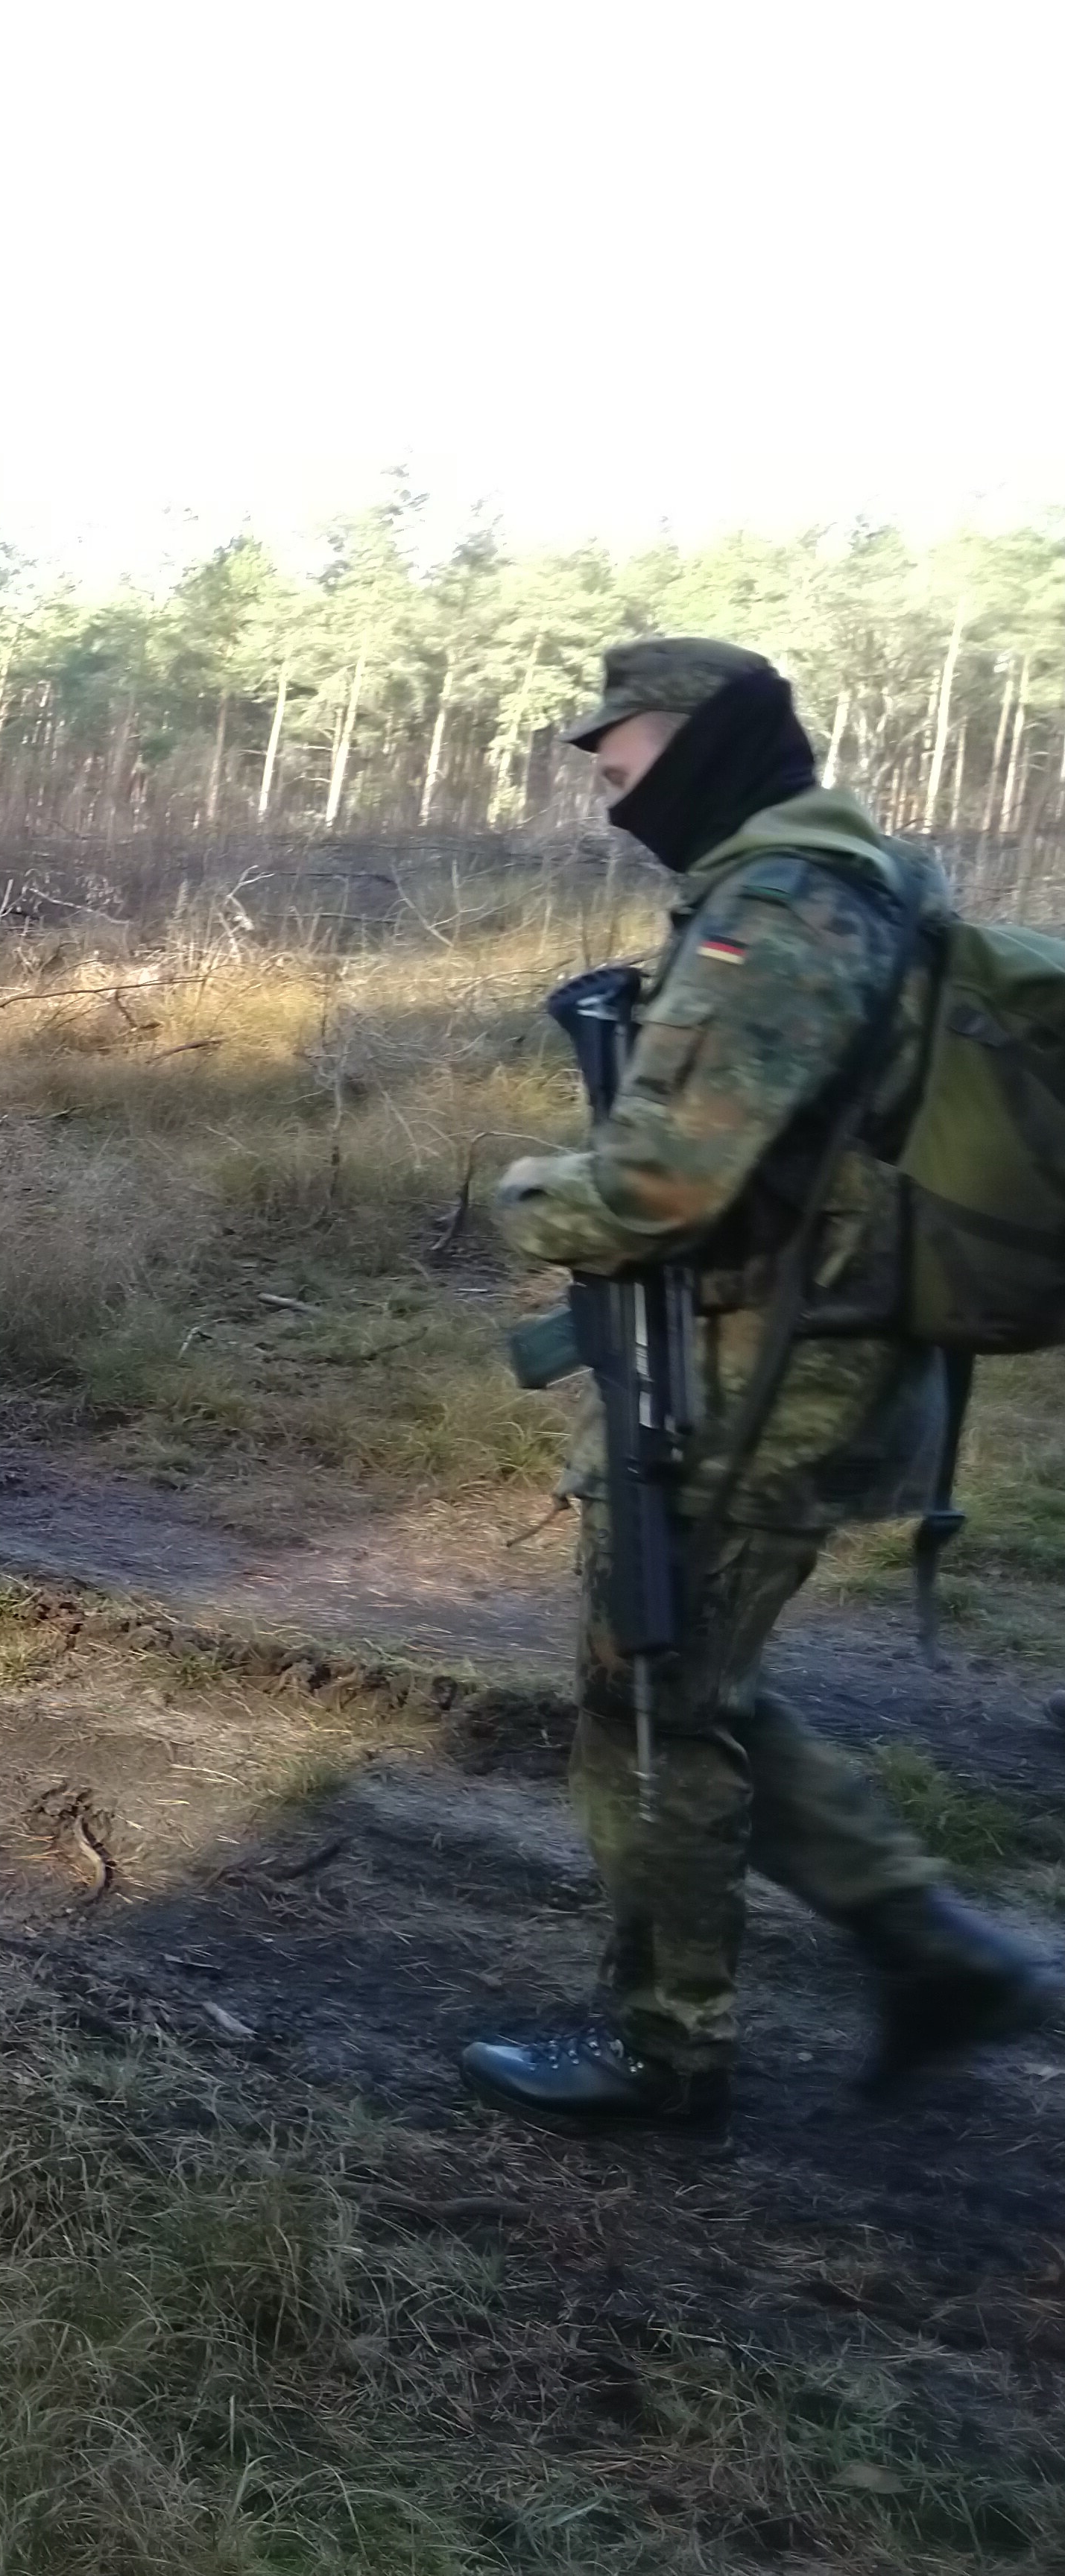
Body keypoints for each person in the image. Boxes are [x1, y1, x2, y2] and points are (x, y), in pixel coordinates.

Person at [462, 637, 1053, 2135]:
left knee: (653, 1693)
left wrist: (528, 1197)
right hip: (800, 1343)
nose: (607, 791)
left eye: (622, 760)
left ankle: (669, 2048)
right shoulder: (843, 883)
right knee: (691, 1678)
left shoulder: (782, 906)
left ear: (705, 742)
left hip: (768, 1365)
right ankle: (934, 1946)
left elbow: (663, 1186)